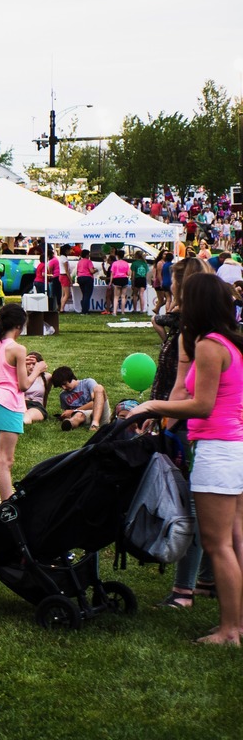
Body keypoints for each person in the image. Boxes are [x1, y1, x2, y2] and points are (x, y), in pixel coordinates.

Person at [125, 271, 243, 644]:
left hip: (217, 450)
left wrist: (151, 406)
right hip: (234, 446)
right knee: (236, 538)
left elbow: (202, 405)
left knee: (218, 544)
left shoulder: (208, 345)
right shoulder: (231, 343)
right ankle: (237, 623)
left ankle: (230, 629)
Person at [0, 303, 46, 509]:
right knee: (5, 461)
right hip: (9, 403)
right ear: (19, 326)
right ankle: (8, 511)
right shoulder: (18, 348)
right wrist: (38, 369)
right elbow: (23, 385)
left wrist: (20, 367)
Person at [50, 366, 106, 430]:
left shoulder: (88, 383)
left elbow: (95, 403)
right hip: (83, 416)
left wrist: (74, 411)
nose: (64, 388)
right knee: (78, 415)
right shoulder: (63, 396)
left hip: (100, 411)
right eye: (60, 386)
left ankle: (95, 424)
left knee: (99, 388)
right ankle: (69, 424)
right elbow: (68, 412)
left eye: (65, 384)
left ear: (71, 378)